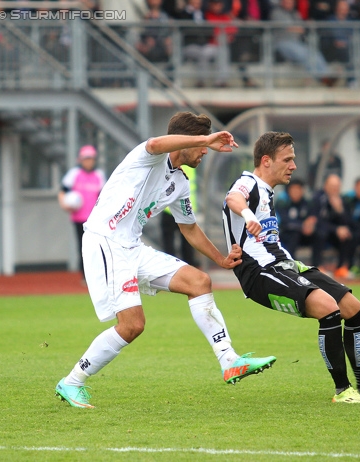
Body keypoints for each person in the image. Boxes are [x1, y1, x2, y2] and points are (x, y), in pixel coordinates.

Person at [55, 113, 276, 409]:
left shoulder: (181, 183)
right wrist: (206, 139)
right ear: (186, 140)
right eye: (201, 146)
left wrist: (221, 259)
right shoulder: (148, 158)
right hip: (105, 241)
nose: (203, 152)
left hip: (132, 246)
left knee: (200, 282)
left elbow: (189, 228)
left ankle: (229, 360)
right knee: (132, 325)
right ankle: (72, 381)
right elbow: (158, 142)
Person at [222, 131, 360, 403]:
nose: (294, 166)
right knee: (329, 309)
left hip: (287, 265)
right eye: (287, 159)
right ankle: (342, 390)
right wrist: (246, 214)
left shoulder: (267, 191)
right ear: (266, 161)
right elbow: (233, 198)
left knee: (355, 310)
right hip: (261, 273)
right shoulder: (248, 182)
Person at [58, 145, 107, 276]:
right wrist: (64, 204)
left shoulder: (99, 175)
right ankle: (85, 275)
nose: (88, 161)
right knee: (82, 246)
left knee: (97, 247)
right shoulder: (74, 174)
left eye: (91, 158)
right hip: (79, 218)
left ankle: (99, 273)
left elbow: (103, 196)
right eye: (86, 158)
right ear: (80, 160)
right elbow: (63, 191)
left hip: (95, 219)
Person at [307, 173, 355, 278]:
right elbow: (317, 220)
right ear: (325, 186)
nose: (335, 189)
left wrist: (340, 210)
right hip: (322, 232)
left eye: (337, 187)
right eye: (332, 186)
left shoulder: (343, 200)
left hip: (335, 235)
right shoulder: (318, 198)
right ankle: (318, 266)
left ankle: (342, 267)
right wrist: (336, 229)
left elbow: (349, 223)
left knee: (348, 234)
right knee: (320, 234)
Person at [160, 164, 198, 266]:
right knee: (187, 241)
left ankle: (170, 267)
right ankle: (188, 267)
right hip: (186, 208)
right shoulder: (190, 165)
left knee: (169, 243)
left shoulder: (172, 164)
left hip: (169, 208)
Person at [276, 178, 314, 260]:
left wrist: (311, 222)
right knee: (294, 234)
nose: (296, 192)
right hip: (286, 233)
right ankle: (291, 263)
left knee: (319, 233)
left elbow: (312, 217)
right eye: (293, 189)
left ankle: (318, 265)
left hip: (304, 234)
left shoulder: (306, 203)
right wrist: (302, 226)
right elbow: (285, 222)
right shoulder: (283, 203)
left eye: (298, 189)